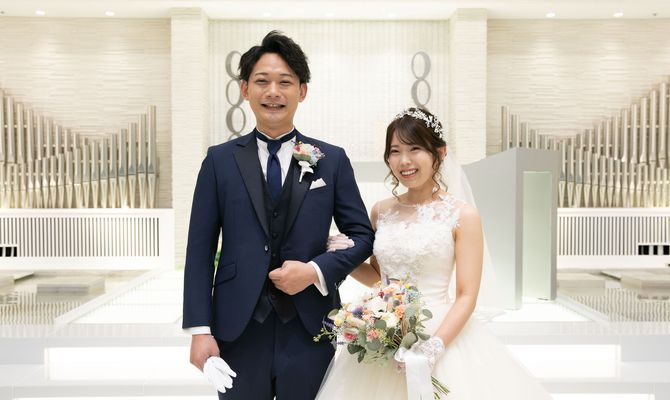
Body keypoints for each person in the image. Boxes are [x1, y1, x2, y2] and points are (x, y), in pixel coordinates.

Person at [182, 31, 374, 400]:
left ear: (302, 91)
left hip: (310, 327)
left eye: (285, 82)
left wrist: (315, 271)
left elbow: (362, 236)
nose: (273, 92)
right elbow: (199, 250)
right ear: (245, 89)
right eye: (262, 81)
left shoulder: (331, 160)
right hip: (236, 328)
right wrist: (200, 329)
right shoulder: (219, 161)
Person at [317, 108, 552, 399]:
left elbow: (467, 295)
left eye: (415, 149)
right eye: (395, 151)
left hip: (440, 331)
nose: (404, 160)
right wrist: (345, 258)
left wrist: (434, 346)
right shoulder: (381, 211)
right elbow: (378, 277)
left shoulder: (462, 215)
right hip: (385, 331)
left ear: (439, 153)